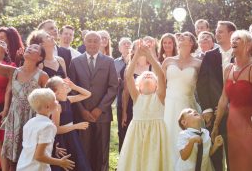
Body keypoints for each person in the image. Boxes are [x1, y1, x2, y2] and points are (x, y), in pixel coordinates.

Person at [0, 30, 49, 171]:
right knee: (11, 159)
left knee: (29, 157)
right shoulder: (13, 71)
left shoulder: (43, 76)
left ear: (40, 58)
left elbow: (48, 102)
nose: (30, 47)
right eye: (30, 46)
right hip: (14, 119)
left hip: (32, 119)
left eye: (35, 48)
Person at [212, 30, 252, 171]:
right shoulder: (228, 69)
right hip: (232, 123)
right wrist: (216, 125)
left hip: (251, 123)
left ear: (248, 45)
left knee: (251, 162)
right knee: (235, 162)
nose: (233, 41)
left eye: (238, 39)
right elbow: (224, 98)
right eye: (233, 39)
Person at [68, 31, 118, 171]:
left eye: (96, 41)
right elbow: (72, 89)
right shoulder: (75, 62)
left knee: (102, 151)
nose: (92, 44)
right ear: (84, 42)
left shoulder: (108, 61)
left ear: (101, 43)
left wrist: (100, 108)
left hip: (102, 115)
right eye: (89, 40)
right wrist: (82, 110)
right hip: (82, 115)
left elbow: (113, 87)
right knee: (84, 150)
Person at [117, 40, 171, 171]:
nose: (148, 74)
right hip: (137, 133)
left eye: (151, 76)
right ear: (138, 86)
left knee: (154, 160)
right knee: (136, 160)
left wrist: (149, 55)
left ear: (157, 85)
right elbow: (129, 75)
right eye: (144, 76)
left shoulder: (160, 96)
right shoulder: (136, 97)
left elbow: (160, 74)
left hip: (155, 135)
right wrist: (137, 54)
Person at [196, 21, 236, 171]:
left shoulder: (242, 54)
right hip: (213, 112)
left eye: (220, 32)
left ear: (231, 34)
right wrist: (206, 109)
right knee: (215, 153)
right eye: (217, 31)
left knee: (234, 153)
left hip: (236, 112)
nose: (216, 34)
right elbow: (202, 84)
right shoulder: (209, 56)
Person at [163, 32, 202, 165]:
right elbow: (161, 86)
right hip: (167, 105)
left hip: (186, 105)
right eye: (179, 37)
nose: (180, 37)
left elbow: (202, 88)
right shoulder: (168, 61)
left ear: (191, 42)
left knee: (184, 136)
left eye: (185, 36)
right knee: (167, 136)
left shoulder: (198, 63)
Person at [16, 88, 75, 171]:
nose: (57, 102)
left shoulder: (30, 122)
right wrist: (60, 162)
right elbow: (39, 156)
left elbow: (32, 144)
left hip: (23, 166)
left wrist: (52, 148)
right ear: (47, 107)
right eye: (54, 100)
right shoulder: (48, 126)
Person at [46, 76, 92, 171]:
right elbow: (56, 130)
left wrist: (74, 86)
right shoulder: (57, 106)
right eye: (63, 85)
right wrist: (76, 126)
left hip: (71, 136)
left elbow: (88, 94)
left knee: (77, 161)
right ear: (56, 92)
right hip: (62, 139)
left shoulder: (68, 99)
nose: (66, 85)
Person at [0, 40, 15, 170]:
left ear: (6, 50)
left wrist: (6, 109)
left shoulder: (10, 66)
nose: (0, 43)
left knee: (0, 142)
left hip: (0, 107)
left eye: (4, 43)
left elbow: (9, 90)